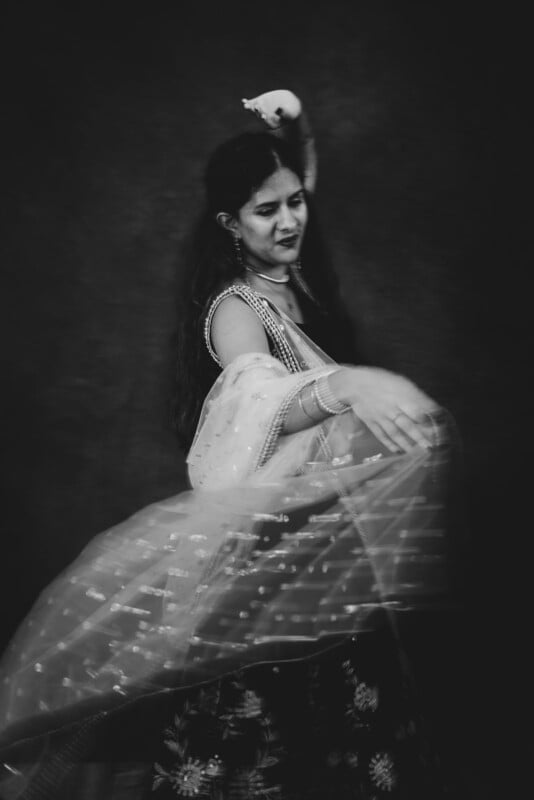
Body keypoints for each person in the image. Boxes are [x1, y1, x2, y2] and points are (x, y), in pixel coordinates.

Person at [0, 90, 455, 799]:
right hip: (265, 550)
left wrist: (296, 127)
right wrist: (345, 386)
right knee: (257, 739)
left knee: (354, 726)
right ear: (229, 224)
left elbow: (293, 184)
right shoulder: (237, 309)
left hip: (322, 536)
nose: (290, 219)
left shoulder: (292, 272)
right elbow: (259, 401)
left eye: (295, 203)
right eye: (266, 211)